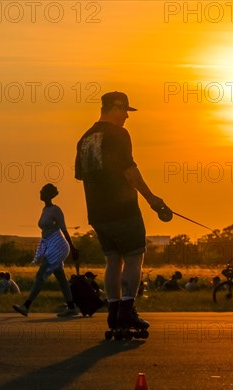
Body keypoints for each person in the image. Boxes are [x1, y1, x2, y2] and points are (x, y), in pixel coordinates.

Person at [75, 91, 167, 334]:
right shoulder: (118, 134)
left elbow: (83, 176)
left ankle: (114, 315)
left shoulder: (84, 138)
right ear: (114, 108)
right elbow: (129, 170)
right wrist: (152, 199)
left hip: (97, 213)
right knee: (135, 257)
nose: (127, 116)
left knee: (113, 261)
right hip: (123, 209)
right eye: (125, 110)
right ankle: (127, 311)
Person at [13, 184, 80, 317]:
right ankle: (72, 307)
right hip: (50, 245)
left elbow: (64, 229)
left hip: (57, 246)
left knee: (40, 276)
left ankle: (26, 306)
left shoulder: (56, 210)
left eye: (42, 191)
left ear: (48, 194)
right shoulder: (45, 209)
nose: (40, 193)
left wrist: (73, 248)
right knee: (61, 278)